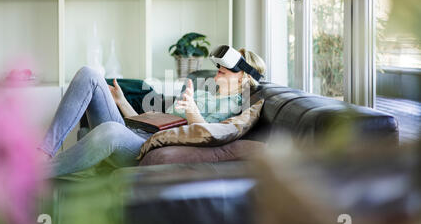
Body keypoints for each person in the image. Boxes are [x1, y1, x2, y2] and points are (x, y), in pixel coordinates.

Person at [38, 47, 266, 177]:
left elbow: (209, 136)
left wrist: (193, 112)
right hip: (137, 134)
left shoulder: (236, 106)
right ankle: (42, 154)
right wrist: (122, 103)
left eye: (224, 73)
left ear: (243, 77)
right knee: (90, 74)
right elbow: (157, 123)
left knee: (111, 131)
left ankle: (34, 176)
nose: (217, 74)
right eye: (218, 70)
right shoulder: (204, 93)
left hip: (143, 150)